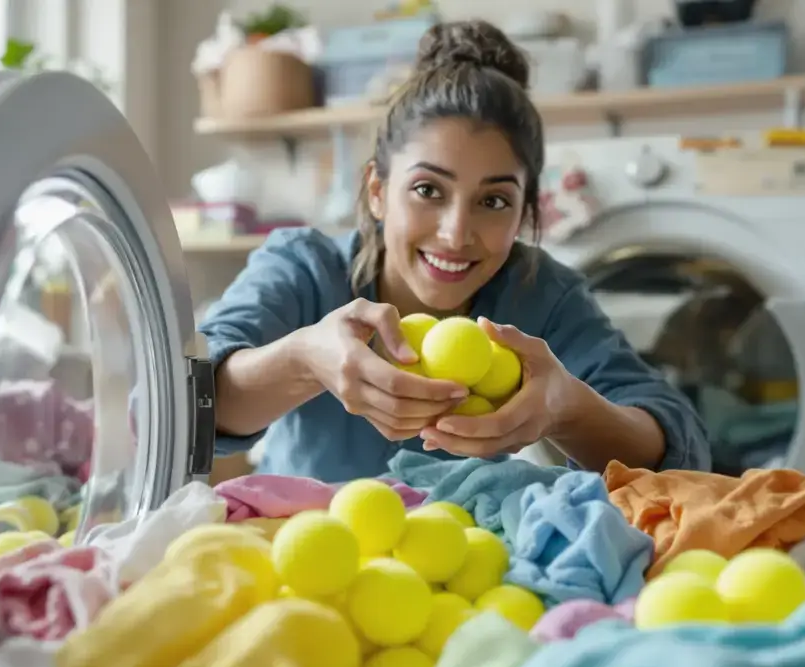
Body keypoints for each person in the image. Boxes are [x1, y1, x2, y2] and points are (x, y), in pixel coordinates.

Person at [199, 20, 709, 482]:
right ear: (377, 190)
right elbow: (188, 400)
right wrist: (304, 361)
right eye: (428, 190)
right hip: (302, 541)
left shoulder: (541, 294)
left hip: (466, 551)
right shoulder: (304, 268)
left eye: (493, 201)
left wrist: (570, 409)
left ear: (525, 212)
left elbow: (680, 451)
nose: (456, 234)